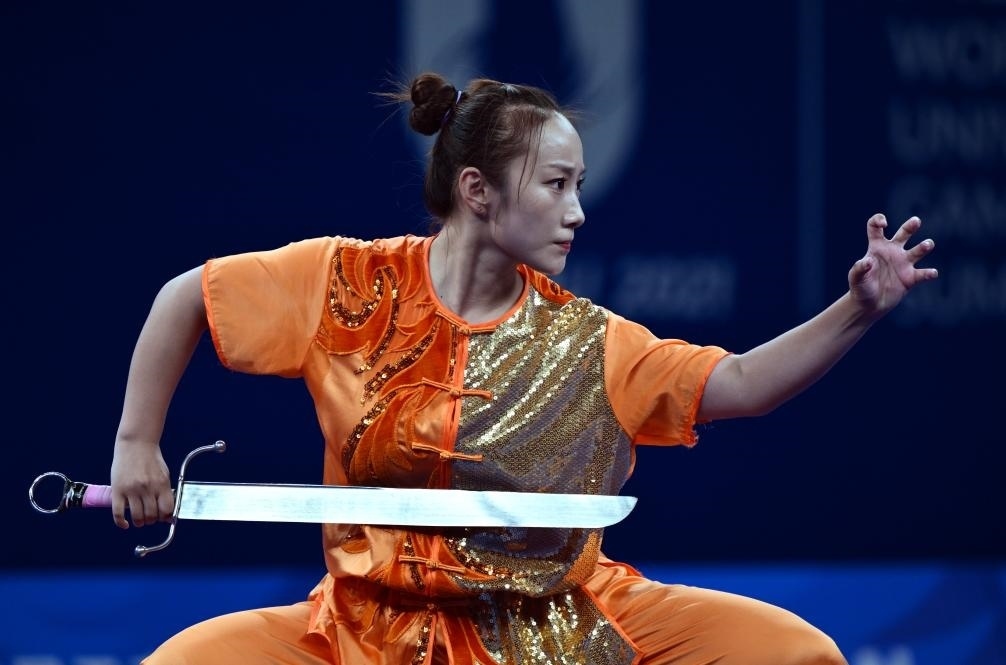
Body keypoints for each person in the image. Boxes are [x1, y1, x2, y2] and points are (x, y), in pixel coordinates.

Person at [110, 72, 937, 665]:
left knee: (796, 652)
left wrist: (857, 308)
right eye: (556, 185)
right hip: (364, 632)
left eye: (578, 185)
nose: (578, 210)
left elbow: (743, 385)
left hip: (554, 630)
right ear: (478, 190)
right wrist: (136, 443)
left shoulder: (589, 339)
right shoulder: (346, 284)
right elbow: (187, 298)